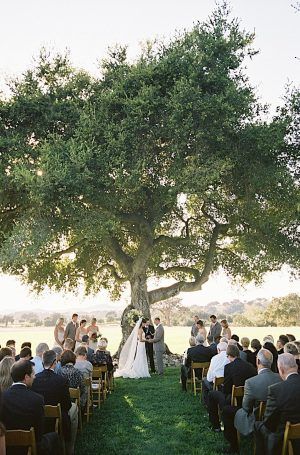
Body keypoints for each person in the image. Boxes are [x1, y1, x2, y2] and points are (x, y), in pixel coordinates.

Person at [1, 360, 59, 455]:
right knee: (55, 437)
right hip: (31, 446)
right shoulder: (37, 399)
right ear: (26, 377)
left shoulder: (2, 397)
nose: (35, 377)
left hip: (8, 446)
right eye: (33, 374)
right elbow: (39, 432)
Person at [31, 350, 77, 455]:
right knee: (74, 409)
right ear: (55, 362)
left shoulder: (34, 379)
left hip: (40, 418)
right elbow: (67, 405)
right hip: (57, 418)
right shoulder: (61, 380)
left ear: (43, 363)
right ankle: (70, 448)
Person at [254, 353, 300, 455]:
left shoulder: (276, 390)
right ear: (296, 366)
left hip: (284, 437)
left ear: (281, 370)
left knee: (258, 425)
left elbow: (268, 422)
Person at [207, 344, 257, 432]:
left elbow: (226, 389)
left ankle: (216, 426)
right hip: (249, 401)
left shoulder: (228, 367)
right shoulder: (250, 366)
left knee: (211, 394)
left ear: (229, 356)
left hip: (233, 399)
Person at [234, 349, 282, 439]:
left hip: (258, 420)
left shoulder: (250, 383)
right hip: (278, 419)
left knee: (237, 412)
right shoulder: (281, 378)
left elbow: (246, 407)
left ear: (258, 361)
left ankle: (235, 445)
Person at [202, 341, 229, 406]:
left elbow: (209, 378)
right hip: (228, 383)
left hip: (217, 384)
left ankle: (207, 404)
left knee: (205, 380)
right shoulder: (230, 358)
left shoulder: (214, 358)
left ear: (218, 350)